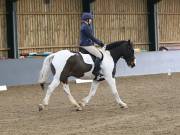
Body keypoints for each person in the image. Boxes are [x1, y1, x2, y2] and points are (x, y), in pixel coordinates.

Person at [80, 12, 104, 77]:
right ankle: (96, 72)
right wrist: (100, 43)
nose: (91, 20)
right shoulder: (85, 27)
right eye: (90, 19)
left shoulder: (85, 26)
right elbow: (92, 37)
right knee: (99, 55)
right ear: (87, 19)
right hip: (87, 45)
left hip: (86, 44)